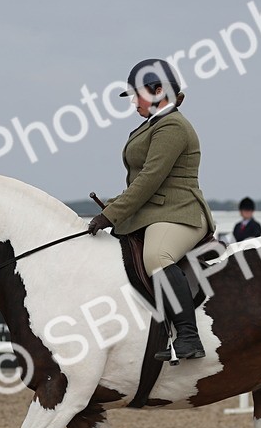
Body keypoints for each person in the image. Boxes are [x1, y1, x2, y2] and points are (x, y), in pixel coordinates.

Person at [87, 58, 216, 361]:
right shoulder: (152, 125)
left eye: (138, 95)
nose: (133, 102)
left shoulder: (172, 126)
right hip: (154, 212)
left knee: (157, 256)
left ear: (159, 91)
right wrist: (114, 209)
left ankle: (188, 336)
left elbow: (149, 179)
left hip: (180, 212)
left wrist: (111, 214)